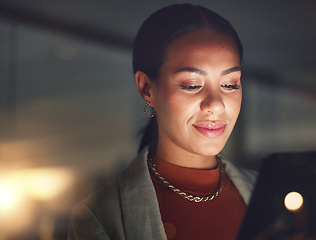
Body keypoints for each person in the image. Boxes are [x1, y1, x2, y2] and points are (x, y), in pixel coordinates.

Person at [68, 4, 256, 240]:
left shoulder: (267, 192)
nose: (215, 104)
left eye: (229, 84)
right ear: (147, 89)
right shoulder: (101, 215)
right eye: (192, 85)